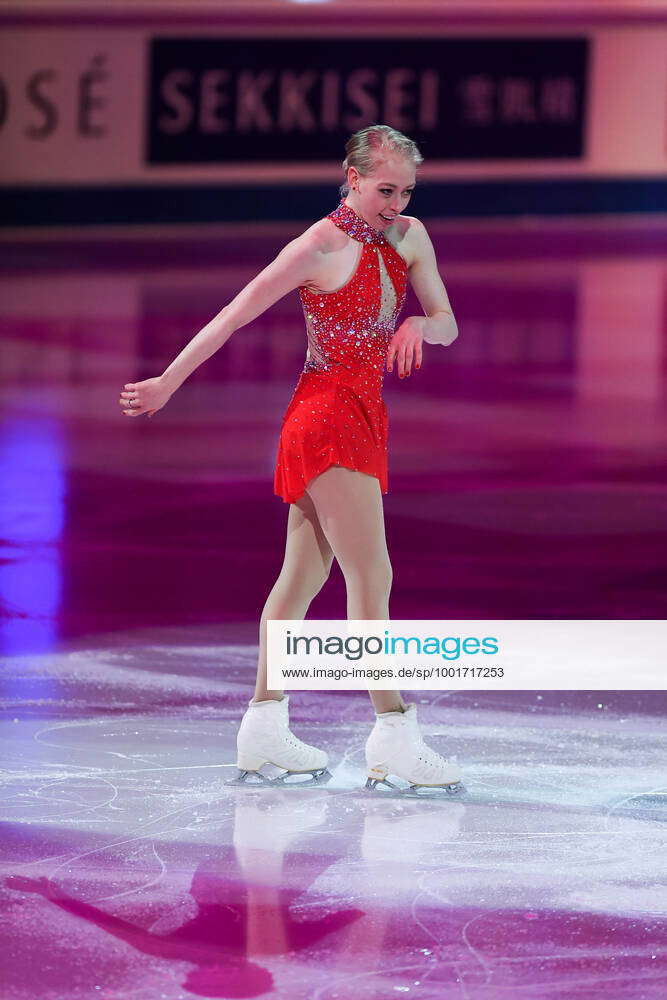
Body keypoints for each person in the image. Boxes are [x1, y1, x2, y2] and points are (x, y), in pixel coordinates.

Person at [118, 125, 463, 793]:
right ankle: (393, 733)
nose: (394, 204)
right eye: (383, 190)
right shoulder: (316, 248)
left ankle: (263, 728)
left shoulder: (410, 236)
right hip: (325, 419)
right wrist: (167, 381)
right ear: (352, 177)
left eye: (405, 191)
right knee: (372, 573)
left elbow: (446, 318)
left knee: (302, 575)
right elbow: (231, 317)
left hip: (362, 415)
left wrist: (424, 323)